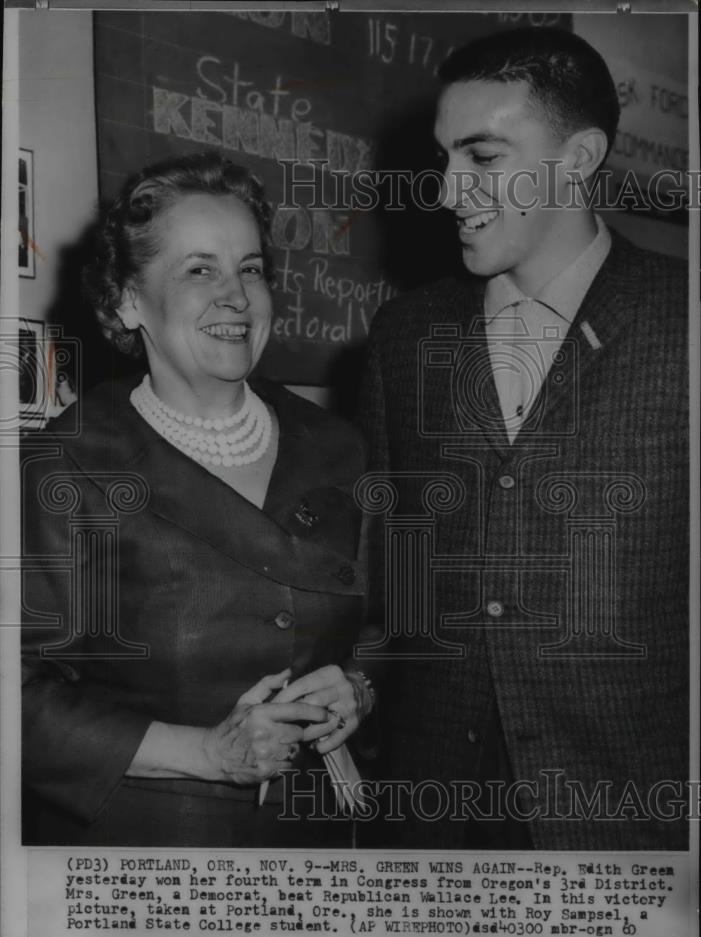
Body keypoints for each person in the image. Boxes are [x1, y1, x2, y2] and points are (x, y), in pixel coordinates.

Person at [357, 26, 688, 850]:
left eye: (483, 157)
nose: (445, 191)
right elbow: (379, 578)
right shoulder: (403, 337)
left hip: (630, 827)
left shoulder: (685, 319)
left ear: (576, 160)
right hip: (433, 824)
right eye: (442, 159)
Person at [22, 152, 374, 847]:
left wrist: (358, 690)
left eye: (249, 269)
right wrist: (208, 753)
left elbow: (384, 635)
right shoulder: (67, 461)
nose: (236, 296)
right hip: (146, 850)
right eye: (198, 270)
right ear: (128, 299)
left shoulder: (339, 446)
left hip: (316, 839)